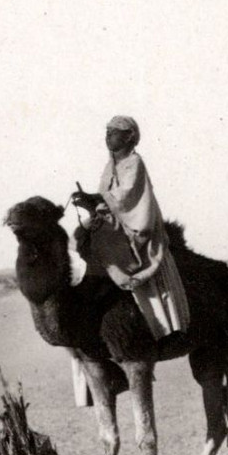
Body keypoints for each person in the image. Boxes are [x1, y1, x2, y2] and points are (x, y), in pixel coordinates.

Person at [78, 115, 190, 339]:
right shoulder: (110, 167)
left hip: (137, 223)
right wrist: (90, 204)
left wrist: (95, 199)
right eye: (107, 131)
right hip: (116, 220)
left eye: (113, 131)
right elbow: (107, 199)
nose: (107, 135)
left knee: (106, 242)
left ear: (129, 136)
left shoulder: (134, 162)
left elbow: (127, 198)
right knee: (79, 237)